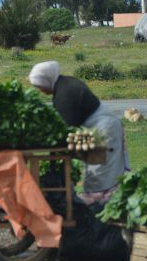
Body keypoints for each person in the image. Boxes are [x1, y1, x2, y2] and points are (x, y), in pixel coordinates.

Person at [28, 61, 129, 205]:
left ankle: (103, 219)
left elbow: (64, 127)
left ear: (47, 80)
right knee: (100, 176)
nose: (40, 90)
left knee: (100, 177)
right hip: (98, 130)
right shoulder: (65, 85)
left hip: (104, 132)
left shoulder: (65, 93)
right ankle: (104, 212)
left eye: (40, 86)